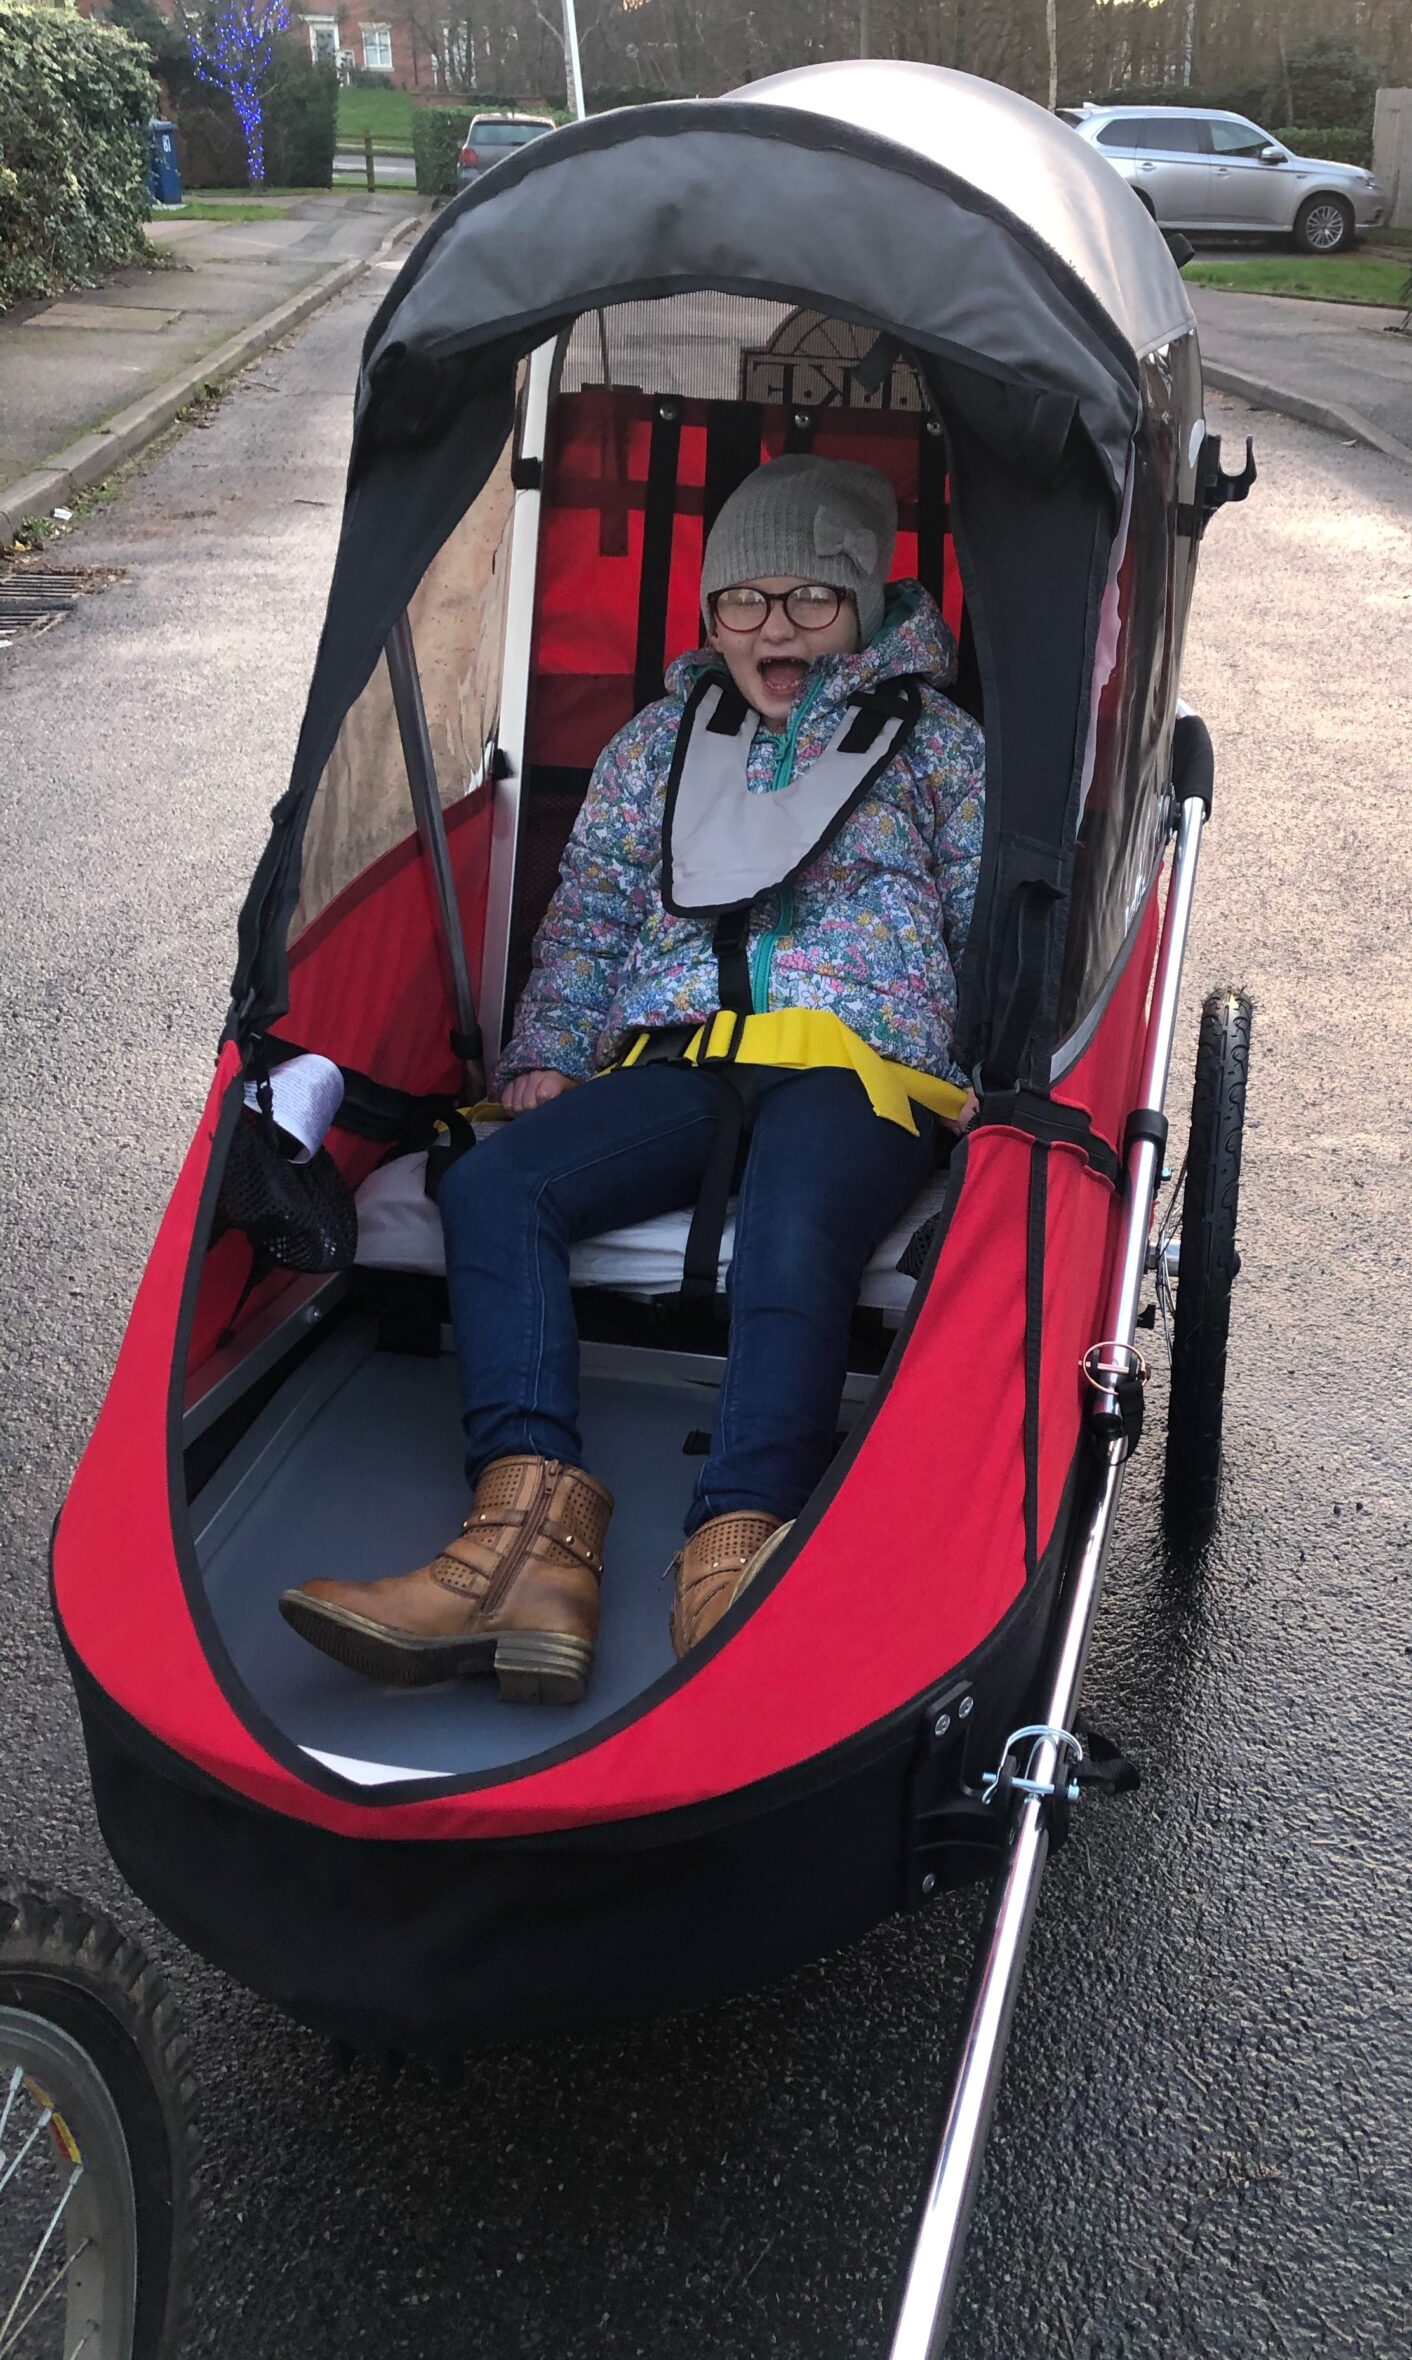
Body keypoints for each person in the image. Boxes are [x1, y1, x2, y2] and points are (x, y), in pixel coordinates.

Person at [280, 456, 986, 1704]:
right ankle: (526, 1539)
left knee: (796, 1219)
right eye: (744, 602)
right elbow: (594, 913)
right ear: (708, 615)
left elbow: (990, 925)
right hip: (680, 1056)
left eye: (811, 599)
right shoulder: (658, 745)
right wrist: (547, 1053)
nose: (776, 628)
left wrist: (1003, 1080)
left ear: (866, 605)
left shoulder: (936, 748)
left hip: (859, 1067)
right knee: (495, 1188)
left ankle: (742, 1538)